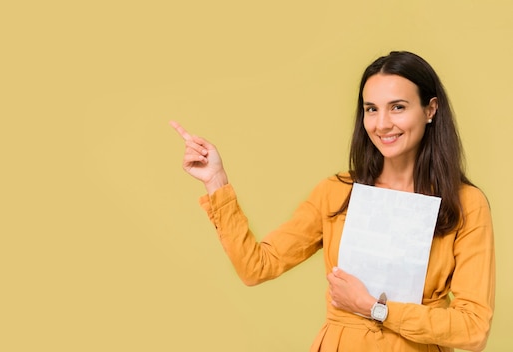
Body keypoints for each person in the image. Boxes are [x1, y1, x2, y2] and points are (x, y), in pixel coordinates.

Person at [170, 51, 495, 351]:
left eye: (398, 107)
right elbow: (257, 267)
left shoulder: (465, 203)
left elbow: (473, 328)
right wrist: (216, 181)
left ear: (430, 109)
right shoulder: (337, 192)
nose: (382, 124)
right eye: (371, 109)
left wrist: (374, 308)